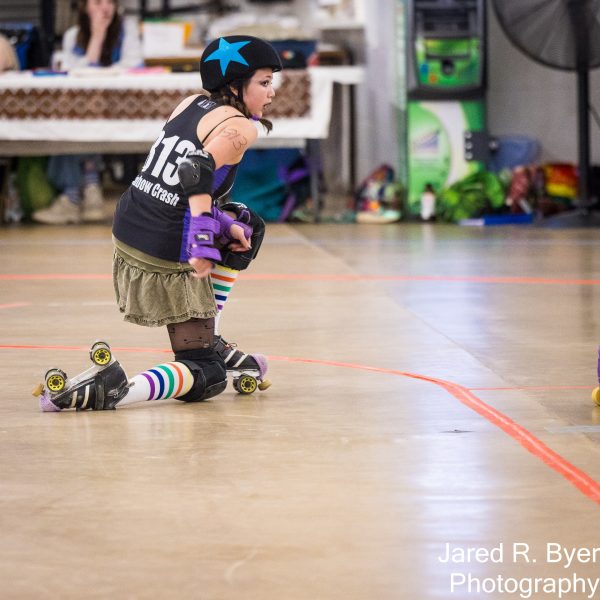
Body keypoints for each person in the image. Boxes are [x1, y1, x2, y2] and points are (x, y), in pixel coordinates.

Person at [38, 35, 281, 412]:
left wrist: (217, 223)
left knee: (245, 223)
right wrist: (202, 239)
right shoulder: (241, 128)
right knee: (207, 374)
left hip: (131, 223)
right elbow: (194, 170)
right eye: (264, 82)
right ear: (236, 85)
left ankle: (211, 336)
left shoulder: (190, 103)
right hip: (163, 244)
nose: (272, 93)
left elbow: (171, 181)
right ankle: (118, 389)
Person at [32, 0, 142, 225]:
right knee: (68, 120)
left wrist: (101, 71)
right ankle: (90, 189)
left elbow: (134, 65)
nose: (105, 8)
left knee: (81, 118)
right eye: (98, 2)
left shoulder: (127, 29)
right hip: (85, 108)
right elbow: (71, 72)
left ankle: (73, 196)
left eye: (110, 2)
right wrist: (97, 37)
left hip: (118, 108)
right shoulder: (73, 35)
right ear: (84, 6)